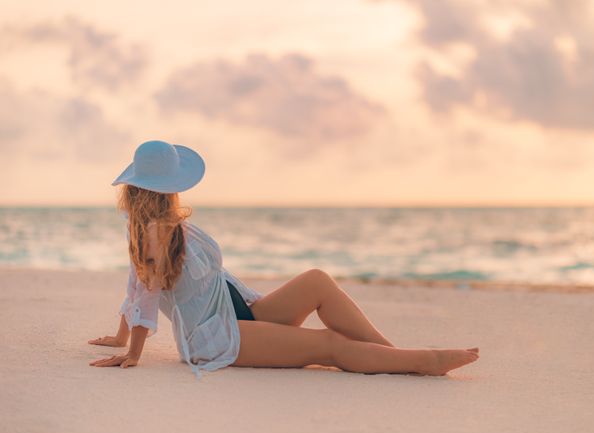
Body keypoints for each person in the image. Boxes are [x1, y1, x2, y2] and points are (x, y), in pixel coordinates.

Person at [88, 140, 480, 379]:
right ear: (170, 187)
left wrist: (122, 336)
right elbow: (145, 290)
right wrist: (132, 352)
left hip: (238, 310)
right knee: (328, 344)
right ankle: (419, 362)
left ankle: (393, 356)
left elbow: (136, 285)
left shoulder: (162, 226)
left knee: (317, 281)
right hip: (217, 337)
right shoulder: (153, 234)